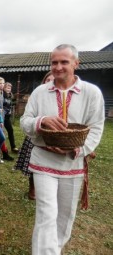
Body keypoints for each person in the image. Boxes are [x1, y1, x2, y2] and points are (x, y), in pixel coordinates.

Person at [20, 44, 105, 254]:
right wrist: (42, 120)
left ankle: (53, 249)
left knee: (66, 216)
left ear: (76, 63)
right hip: (43, 161)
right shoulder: (40, 92)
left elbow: (96, 128)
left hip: (73, 163)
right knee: (46, 214)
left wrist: (77, 150)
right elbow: (24, 121)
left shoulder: (91, 93)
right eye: (54, 62)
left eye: (64, 62)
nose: (58, 67)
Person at [14, 71, 55, 200]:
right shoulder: (37, 96)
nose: (50, 82)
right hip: (36, 135)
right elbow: (27, 117)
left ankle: (48, 190)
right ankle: (32, 189)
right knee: (32, 164)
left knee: (50, 165)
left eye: (53, 80)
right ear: (44, 82)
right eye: (47, 80)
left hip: (55, 138)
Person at [0, 77, 14, 161]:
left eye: (3, 83)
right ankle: (2, 153)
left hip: (1, 117)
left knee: (1, 136)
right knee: (1, 136)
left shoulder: (2, 93)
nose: (2, 85)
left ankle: (4, 153)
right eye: (0, 83)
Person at [3, 82, 19, 153]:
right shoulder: (2, 95)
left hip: (7, 117)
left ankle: (13, 147)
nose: (9, 89)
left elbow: (11, 104)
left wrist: (15, 102)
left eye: (10, 88)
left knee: (10, 130)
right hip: (1, 116)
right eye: (7, 88)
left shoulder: (10, 95)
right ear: (4, 88)